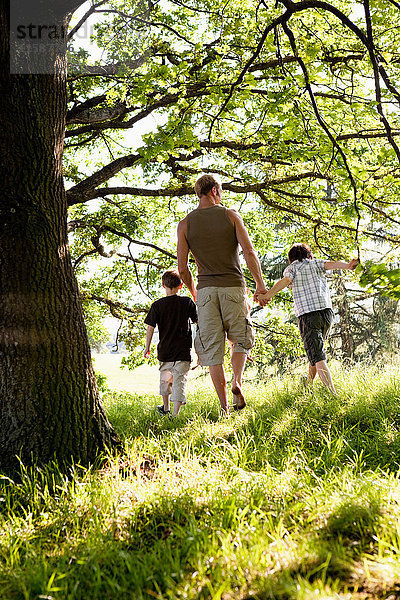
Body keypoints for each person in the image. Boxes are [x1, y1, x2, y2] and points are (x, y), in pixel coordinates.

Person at [177, 173, 267, 414]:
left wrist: (195, 292)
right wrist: (260, 285)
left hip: (205, 291)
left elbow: (182, 269)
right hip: (233, 287)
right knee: (241, 338)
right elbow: (248, 252)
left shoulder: (185, 224)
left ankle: (225, 406)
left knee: (213, 350)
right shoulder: (230, 215)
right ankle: (237, 380)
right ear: (215, 191)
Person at [259, 243, 358, 394]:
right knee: (316, 349)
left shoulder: (292, 268)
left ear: (291, 259)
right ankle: (308, 385)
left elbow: (285, 281)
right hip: (326, 314)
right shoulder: (316, 263)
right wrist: (349, 266)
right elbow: (332, 264)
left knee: (317, 355)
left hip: (308, 315)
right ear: (309, 255)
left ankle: (332, 394)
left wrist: (267, 296)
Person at [144, 269, 197, 417]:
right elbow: (198, 321)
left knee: (165, 381)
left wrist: (147, 347)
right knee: (180, 382)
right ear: (181, 286)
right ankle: (175, 414)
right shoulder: (187, 302)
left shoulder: (157, 305)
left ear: (163, 285)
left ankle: (166, 408)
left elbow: (150, 328)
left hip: (165, 351)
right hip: (183, 351)